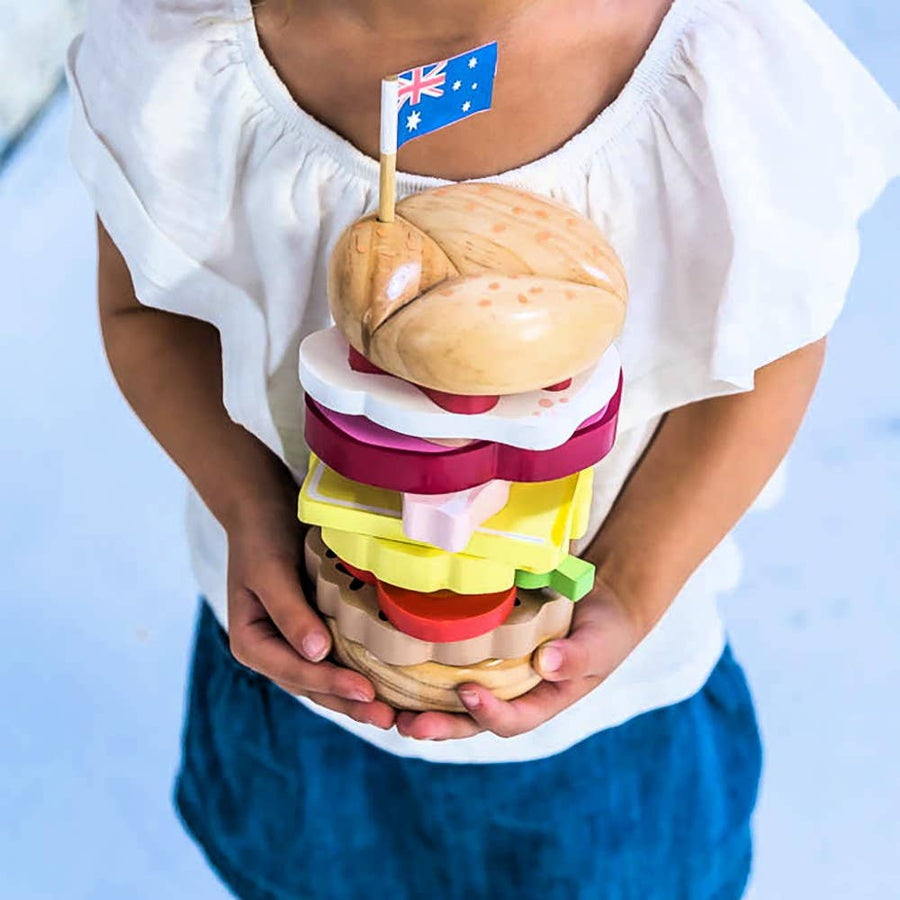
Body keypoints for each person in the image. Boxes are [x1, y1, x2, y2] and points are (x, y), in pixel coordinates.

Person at [66, 0, 900, 896]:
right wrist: (248, 507)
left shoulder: (723, 64)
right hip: (302, 699)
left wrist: (632, 580)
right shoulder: (183, 52)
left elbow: (773, 351)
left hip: (608, 728)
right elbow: (145, 312)